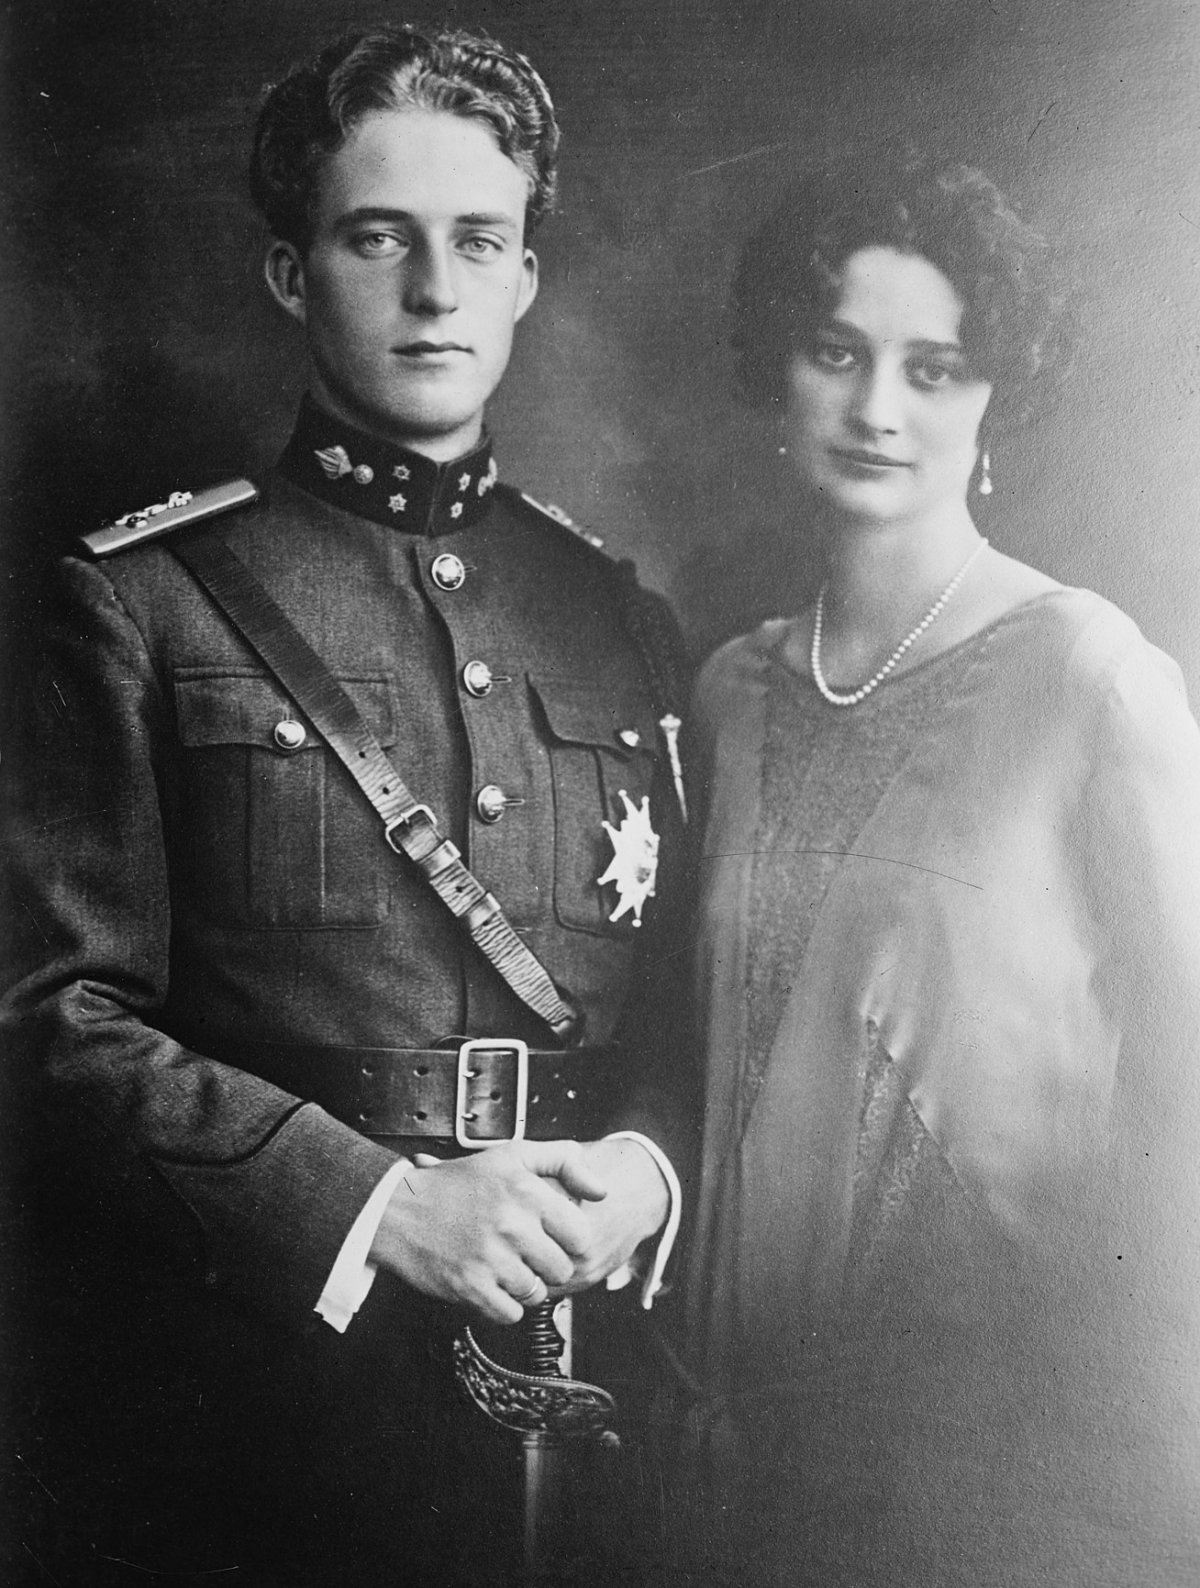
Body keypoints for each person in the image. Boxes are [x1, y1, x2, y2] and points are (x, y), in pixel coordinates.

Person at [2, 25, 689, 1588]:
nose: (436, 290)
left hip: (593, 1399)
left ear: (525, 275)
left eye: (480, 243)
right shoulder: (145, 601)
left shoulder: (621, 617)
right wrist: (377, 1206)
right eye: (380, 236)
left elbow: (699, 1008)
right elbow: (44, 1024)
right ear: (290, 274)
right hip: (257, 1411)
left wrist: (646, 1176)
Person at [678, 160, 1200, 1586]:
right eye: (837, 353)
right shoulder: (731, 690)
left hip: (994, 1473)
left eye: (935, 366)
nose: (877, 408)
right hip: (728, 1470)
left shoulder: (1091, 675)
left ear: (994, 400)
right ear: (780, 372)